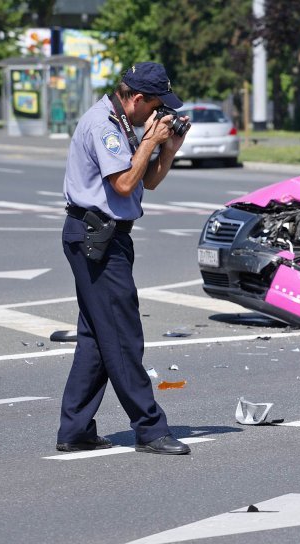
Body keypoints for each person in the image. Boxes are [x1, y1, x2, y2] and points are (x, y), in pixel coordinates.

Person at [57, 62, 192, 455]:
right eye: (155, 106)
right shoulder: (104, 125)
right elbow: (123, 182)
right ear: (136, 98)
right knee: (124, 337)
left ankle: (76, 429)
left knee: (98, 340)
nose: (157, 114)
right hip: (95, 237)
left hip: (107, 238)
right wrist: (150, 142)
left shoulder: (123, 123)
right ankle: (150, 429)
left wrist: (167, 150)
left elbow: (147, 180)